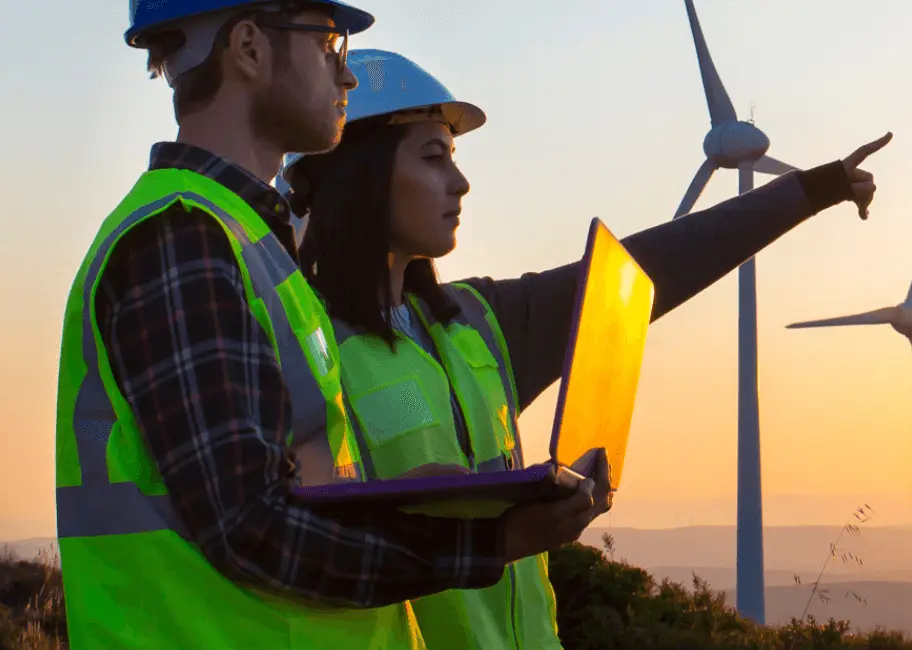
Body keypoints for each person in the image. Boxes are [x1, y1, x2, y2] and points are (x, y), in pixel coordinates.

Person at [282, 48, 892, 649]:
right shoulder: (297, 347)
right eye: (434, 157)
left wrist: (812, 189)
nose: (460, 182)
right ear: (361, 174)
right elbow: (299, 549)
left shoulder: (479, 322)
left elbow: (652, 267)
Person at [54, 3, 599, 647]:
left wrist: (402, 496)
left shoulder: (247, 241)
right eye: (329, 43)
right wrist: (493, 540)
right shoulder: (181, 241)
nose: (345, 77)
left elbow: (285, 486)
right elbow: (251, 529)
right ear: (250, 49)